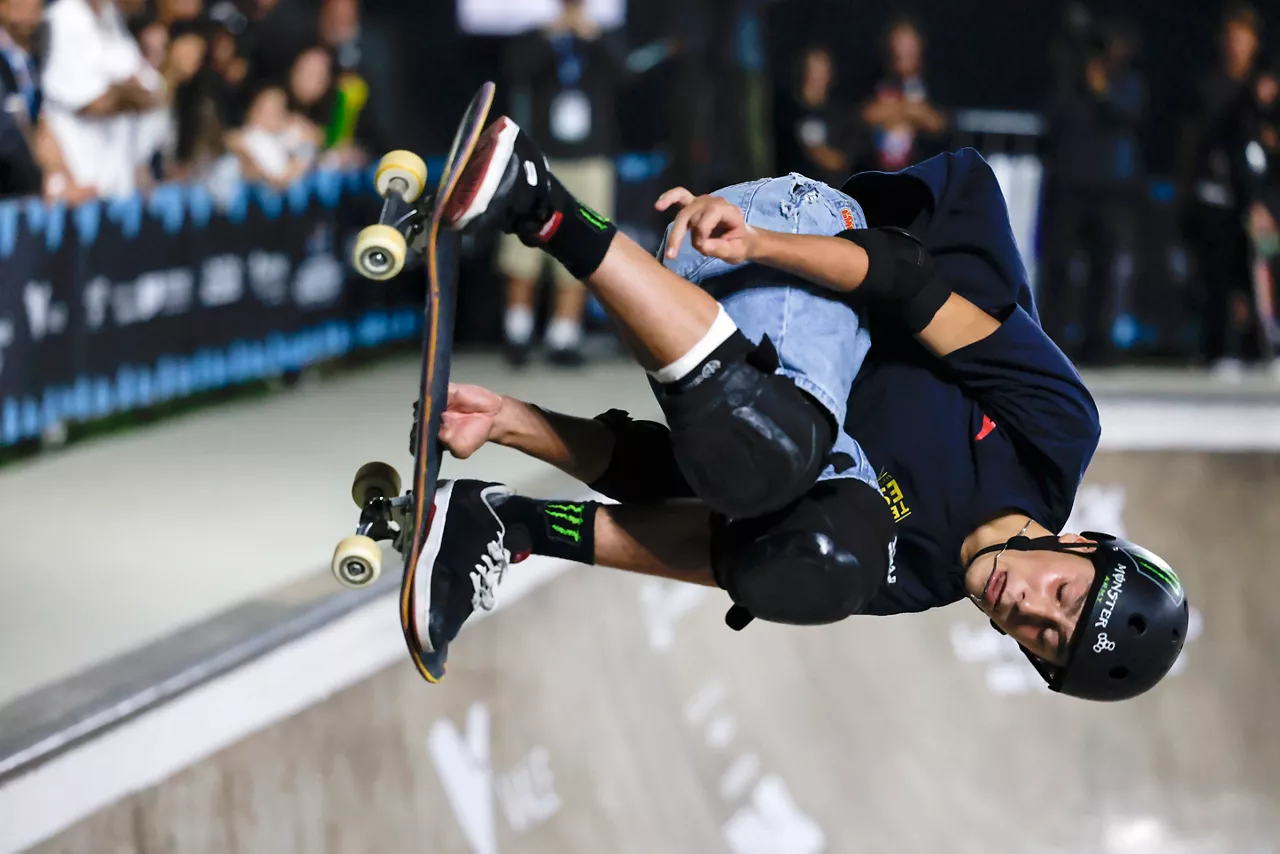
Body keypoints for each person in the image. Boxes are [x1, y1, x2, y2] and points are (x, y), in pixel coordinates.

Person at [376, 110, 1191, 702]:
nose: (1032, 609)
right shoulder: (1052, 431)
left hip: (735, 374)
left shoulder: (916, 579)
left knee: (815, 559)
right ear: (1084, 545)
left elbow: (706, 518)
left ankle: (489, 519)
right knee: (783, 450)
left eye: (1047, 640)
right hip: (802, 238)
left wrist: (523, 450)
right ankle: (535, 200)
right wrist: (757, 242)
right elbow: (905, 279)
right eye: (1068, 596)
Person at [498, 0, 626, 368]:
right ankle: (517, 331)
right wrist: (550, 36)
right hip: (542, 156)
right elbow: (515, 70)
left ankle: (564, 334)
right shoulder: (537, 34)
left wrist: (595, 37)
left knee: (584, 239)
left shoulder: (602, 34)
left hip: (591, 157)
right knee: (522, 247)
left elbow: (626, 73)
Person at [1039, 21, 1146, 366]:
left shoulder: (1128, 84)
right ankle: (1052, 341)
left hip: (1111, 189)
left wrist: (1102, 90)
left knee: (1105, 268)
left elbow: (1129, 116)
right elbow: (1053, 119)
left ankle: (1097, 343)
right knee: (1059, 266)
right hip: (1069, 186)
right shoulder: (1067, 83)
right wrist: (1082, 83)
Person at [1180, 4, 1268, 378]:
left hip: (1261, 199)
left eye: (1243, 38)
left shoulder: (1265, 88)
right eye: (1231, 37)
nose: (1237, 45)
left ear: (1255, 43)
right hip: (1215, 197)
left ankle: (1260, 349)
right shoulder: (1207, 87)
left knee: (1255, 275)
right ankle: (1217, 349)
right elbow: (1190, 142)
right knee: (1216, 275)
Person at [857, 16, 947, 174]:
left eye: (908, 46)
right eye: (898, 45)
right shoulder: (873, 80)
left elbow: (939, 124)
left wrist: (895, 111)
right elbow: (865, 116)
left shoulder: (934, 81)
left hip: (921, 174)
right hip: (877, 173)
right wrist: (909, 110)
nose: (902, 52)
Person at [773, 45, 860, 188]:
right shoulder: (787, 111)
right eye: (810, 68)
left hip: (833, 194)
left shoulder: (840, 114)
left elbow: (845, 160)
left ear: (829, 74)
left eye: (820, 70)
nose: (814, 76)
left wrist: (820, 153)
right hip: (794, 196)